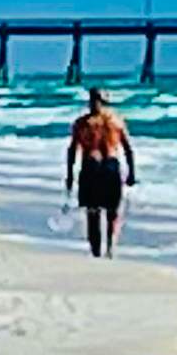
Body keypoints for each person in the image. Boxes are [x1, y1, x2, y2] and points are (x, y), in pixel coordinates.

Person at [64, 88, 137, 258]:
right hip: (91, 167)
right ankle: (96, 251)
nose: (96, 104)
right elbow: (72, 150)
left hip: (110, 167)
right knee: (92, 212)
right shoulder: (82, 124)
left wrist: (132, 172)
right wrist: (69, 175)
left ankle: (110, 248)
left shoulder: (115, 122)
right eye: (93, 100)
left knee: (112, 211)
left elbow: (127, 148)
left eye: (99, 100)